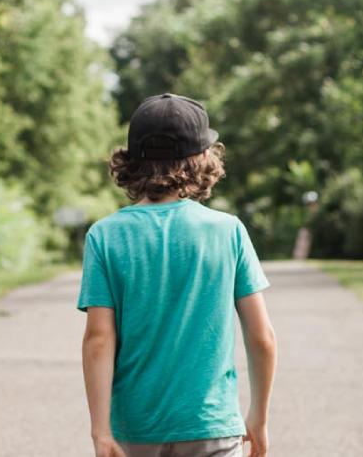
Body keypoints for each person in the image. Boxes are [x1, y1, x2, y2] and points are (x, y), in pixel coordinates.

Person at [78, 94, 278, 457]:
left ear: (132, 160)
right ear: (202, 159)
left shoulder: (105, 235)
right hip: (212, 425)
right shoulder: (227, 230)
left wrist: (100, 431)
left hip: (136, 432)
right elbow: (261, 337)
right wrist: (258, 418)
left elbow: (98, 339)